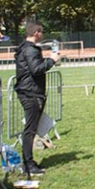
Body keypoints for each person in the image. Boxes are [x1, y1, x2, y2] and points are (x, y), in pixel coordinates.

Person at [14, 22, 60, 177]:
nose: (43, 34)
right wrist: (52, 60)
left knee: (31, 129)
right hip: (31, 93)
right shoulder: (30, 49)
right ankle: (28, 164)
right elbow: (36, 69)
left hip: (30, 91)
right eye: (42, 32)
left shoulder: (25, 48)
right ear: (36, 33)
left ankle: (28, 162)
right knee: (30, 130)